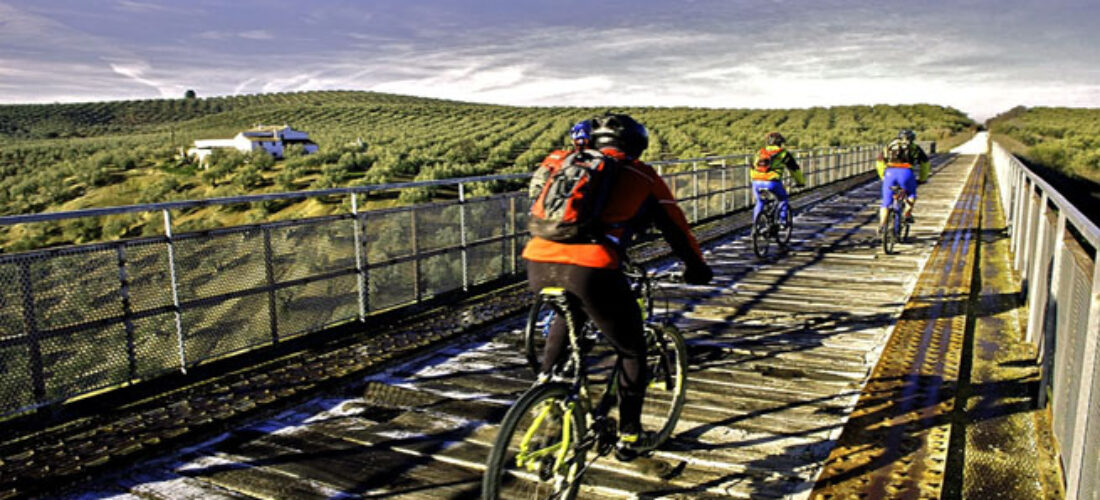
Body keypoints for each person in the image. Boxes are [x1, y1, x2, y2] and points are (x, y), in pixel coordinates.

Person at [522, 113, 713, 460]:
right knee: (632, 350)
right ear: (637, 146)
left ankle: (546, 390)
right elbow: (676, 228)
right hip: (592, 268)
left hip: (537, 260)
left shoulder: (564, 162)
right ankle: (629, 435)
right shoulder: (641, 174)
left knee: (571, 313)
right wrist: (697, 268)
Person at [875, 129, 930, 227]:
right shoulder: (915, 148)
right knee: (911, 194)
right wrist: (923, 178)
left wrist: (882, 175)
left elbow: (879, 161)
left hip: (890, 173)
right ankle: (907, 214)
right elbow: (925, 163)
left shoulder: (890, 146)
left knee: (886, 202)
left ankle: (882, 225)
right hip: (906, 172)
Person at [751, 132, 805, 228]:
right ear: (780, 143)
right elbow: (794, 169)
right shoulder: (783, 153)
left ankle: (756, 225)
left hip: (756, 181)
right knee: (783, 199)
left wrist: (755, 178)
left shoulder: (760, 152)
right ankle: (782, 221)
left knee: (760, 201)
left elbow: (752, 166)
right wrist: (800, 182)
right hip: (772, 181)